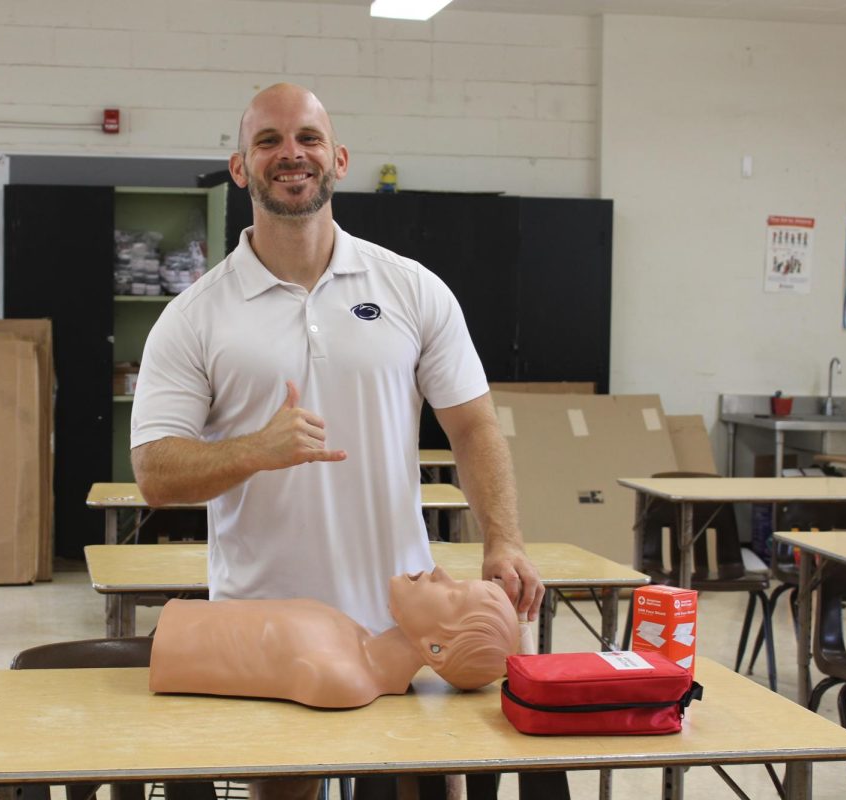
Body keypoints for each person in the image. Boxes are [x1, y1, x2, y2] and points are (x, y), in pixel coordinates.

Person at [130, 78, 545, 800]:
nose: (291, 155)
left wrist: (503, 539)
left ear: (339, 159)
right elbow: (155, 473)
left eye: (307, 139)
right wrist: (255, 449)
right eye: (268, 141)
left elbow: (473, 424)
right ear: (240, 168)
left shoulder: (411, 289)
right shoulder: (196, 315)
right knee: (284, 792)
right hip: (266, 624)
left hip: (407, 619)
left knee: (422, 790)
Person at [149, 567, 531, 709]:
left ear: (437, 648)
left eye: (453, 595)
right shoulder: (354, 635)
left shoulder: (344, 677)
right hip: (166, 638)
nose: (441, 572)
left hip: (162, 658)